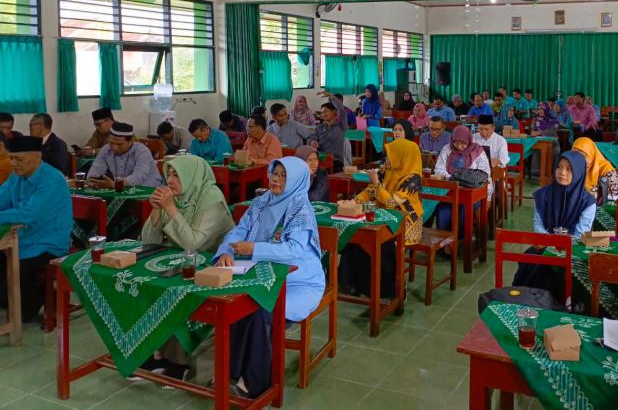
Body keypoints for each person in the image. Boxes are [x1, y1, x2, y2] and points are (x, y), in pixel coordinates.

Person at [214, 158, 325, 399]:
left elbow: (294, 250)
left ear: (295, 180)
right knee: (235, 305)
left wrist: (254, 249)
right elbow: (239, 230)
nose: (275, 179)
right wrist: (225, 250)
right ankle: (231, 372)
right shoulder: (263, 201)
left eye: (283, 175)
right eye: (274, 173)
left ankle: (257, 384)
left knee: (260, 312)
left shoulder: (300, 207)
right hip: (264, 274)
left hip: (300, 282)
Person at [139, 155, 236, 380]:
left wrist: (171, 209)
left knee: (175, 291)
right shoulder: (175, 197)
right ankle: (157, 352)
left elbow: (194, 244)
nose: (170, 180)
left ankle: (177, 362)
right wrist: (155, 211)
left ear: (191, 175)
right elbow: (148, 242)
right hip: (181, 262)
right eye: (168, 174)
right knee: (147, 284)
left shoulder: (212, 198)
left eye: (176, 175)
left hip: (213, 266)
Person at [339, 138, 424, 297]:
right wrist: (352, 202)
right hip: (383, 216)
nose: (387, 160)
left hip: (407, 222)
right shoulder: (388, 169)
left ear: (402, 155)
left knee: (381, 242)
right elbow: (371, 190)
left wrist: (377, 182)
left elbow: (392, 202)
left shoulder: (413, 179)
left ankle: (387, 288)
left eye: (390, 156)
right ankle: (354, 283)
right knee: (356, 234)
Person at [0, 136, 72, 322]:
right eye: (11, 158)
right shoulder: (16, 177)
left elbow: (27, 214)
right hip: (21, 240)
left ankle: (31, 302)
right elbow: (2, 200)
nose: (14, 164)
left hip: (47, 245)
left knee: (20, 304)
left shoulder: (52, 180)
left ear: (37, 158)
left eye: (19, 159)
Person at [512, 152, 597, 293]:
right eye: (559, 167)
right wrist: (549, 241)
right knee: (532, 262)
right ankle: (529, 303)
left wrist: (556, 243)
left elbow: (581, 235)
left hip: (573, 249)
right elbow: (538, 224)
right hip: (545, 245)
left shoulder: (587, 202)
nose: (562, 173)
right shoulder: (543, 194)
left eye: (569, 169)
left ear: (579, 172)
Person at [434, 126, 491, 234]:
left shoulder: (477, 151)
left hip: (472, 195)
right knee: (442, 211)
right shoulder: (447, 149)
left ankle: (460, 243)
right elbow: (439, 169)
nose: (460, 147)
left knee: (463, 211)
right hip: (451, 192)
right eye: (456, 143)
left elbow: (485, 173)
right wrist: (453, 179)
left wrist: (488, 196)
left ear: (469, 140)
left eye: (463, 143)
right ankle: (443, 242)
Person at [87, 123, 163, 189]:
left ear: (131, 141)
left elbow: (139, 177)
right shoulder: (106, 149)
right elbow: (95, 171)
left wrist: (115, 184)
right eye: (111, 143)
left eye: (119, 144)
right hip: (122, 189)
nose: (114, 147)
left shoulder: (142, 151)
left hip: (148, 190)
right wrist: (93, 181)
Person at [571, 137, 618, 204]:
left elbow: (615, 194)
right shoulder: (570, 168)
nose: (578, 159)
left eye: (583, 156)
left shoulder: (606, 170)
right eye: (575, 155)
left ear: (591, 154)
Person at [310, 92, 348, 170]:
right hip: (320, 159)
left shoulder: (341, 126)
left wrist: (333, 97)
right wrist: (313, 141)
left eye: (326, 111)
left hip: (335, 161)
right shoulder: (319, 128)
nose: (323, 114)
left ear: (334, 112)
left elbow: (342, 111)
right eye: (322, 112)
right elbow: (313, 138)